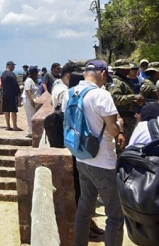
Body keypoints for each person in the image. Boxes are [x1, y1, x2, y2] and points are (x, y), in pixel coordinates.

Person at [62, 59, 125, 246]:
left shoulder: (70, 93)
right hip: (103, 161)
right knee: (115, 215)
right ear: (103, 74)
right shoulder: (102, 95)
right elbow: (113, 130)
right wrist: (120, 126)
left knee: (84, 208)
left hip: (82, 156)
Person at [109, 59, 145, 141]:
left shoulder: (124, 81)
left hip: (129, 117)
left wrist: (134, 101)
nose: (128, 70)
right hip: (122, 118)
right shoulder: (116, 82)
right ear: (120, 70)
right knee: (123, 145)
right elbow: (114, 98)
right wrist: (133, 97)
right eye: (126, 69)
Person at [1, 61, 22, 131]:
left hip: (5, 94)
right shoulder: (12, 74)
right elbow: (15, 84)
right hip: (12, 94)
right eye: (13, 66)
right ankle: (15, 126)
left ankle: (8, 125)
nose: (14, 67)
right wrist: (19, 93)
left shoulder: (3, 74)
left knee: (6, 110)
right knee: (13, 111)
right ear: (9, 66)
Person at [21, 65, 40, 138]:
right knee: (30, 116)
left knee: (33, 116)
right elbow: (28, 91)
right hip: (29, 101)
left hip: (33, 100)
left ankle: (33, 130)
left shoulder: (34, 81)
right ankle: (31, 132)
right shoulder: (29, 80)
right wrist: (32, 101)